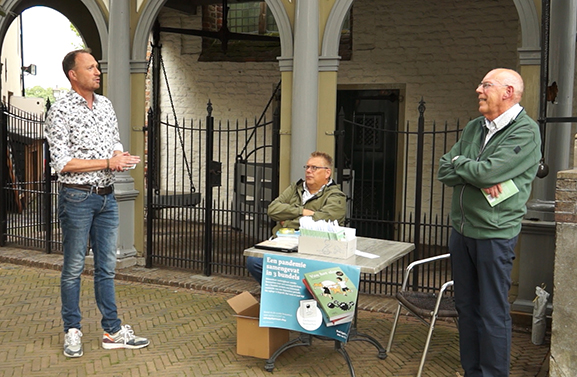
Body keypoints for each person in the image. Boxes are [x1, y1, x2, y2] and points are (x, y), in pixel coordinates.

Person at [45, 49, 149, 358]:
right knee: (74, 268)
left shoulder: (105, 105)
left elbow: (114, 142)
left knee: (107, 268)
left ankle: (112, 331)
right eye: (90, 67)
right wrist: (107, 161)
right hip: (76, 197)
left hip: (108, 198)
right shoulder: (60, 109)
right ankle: (72, 330)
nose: (97, 71)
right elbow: (61, 162)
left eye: (97, 66)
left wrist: (121, 158)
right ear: (73, 75)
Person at [437, 68, 541, 376]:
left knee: (493, 313)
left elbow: (487, 173)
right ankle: (472, 372)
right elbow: (445, 168)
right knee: (466, 310)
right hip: (462, 232)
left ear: (508, 92)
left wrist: (471, 170)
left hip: (495, 235)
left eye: (486, 85)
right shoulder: (474, 127)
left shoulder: (525, 131)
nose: (478, 90)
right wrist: (472, 169)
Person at [246, 151, 347, 283]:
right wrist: (303, 211)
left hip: (312, 249)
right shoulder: (295, 188)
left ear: (327, 173)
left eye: (314, 168)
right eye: (307, 167)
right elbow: (272, 209)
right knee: (254, 261)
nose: (309, 171)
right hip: (282, 243)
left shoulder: (336, 196)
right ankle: (279, 291)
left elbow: (321, 221)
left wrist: (287, 221)